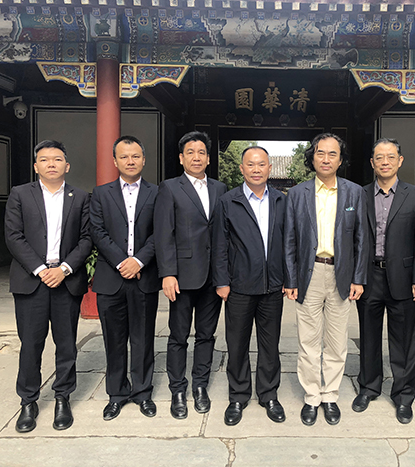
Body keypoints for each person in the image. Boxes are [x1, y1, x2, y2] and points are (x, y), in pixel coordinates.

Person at [4, 140, 92, 433]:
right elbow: (13, 236)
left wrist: (64, 269)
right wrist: (42, 270)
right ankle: (28, 401)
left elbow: (87, 238)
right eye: (44, 159)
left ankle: (63, 397)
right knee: (31, 344)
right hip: (31, 281)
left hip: (66, 281)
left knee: (66, 344)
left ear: (67, 165)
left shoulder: (80, 197)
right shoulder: (20, 194)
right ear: (36, 166)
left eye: (57, 159)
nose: (51, 164)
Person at [284, 133, 369, 426]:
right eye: (320, 153)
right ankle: (311, 396)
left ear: (340, 160)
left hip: (341, 273)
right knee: (308, 340)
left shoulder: (354, 193)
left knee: (336, 340)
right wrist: (291, 279)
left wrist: (358, 278)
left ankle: (330, 394)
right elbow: (289, 239)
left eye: (333, 154)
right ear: (312, 157)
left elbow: (361, 238)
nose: (326, 159)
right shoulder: (297, 194)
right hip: (309, 273)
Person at [353, 138, 415, 424]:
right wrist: (355, 276)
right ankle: (368, 387)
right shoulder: (359, 195)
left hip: (404, 278)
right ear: (372, 163)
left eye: (390, 157)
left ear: (400, 161)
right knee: (368, 336)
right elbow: (353, 237)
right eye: (379, 157)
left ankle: (403, 395)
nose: (384, 162)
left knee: (405, 339)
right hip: (369, 276)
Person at [154, 131, 228, 419]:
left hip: (212, 276)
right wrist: (167, 273)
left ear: (208, 159)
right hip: (182, 276)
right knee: (179, 335)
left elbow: (222, 234)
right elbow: (164, 234)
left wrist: (224, 276)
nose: (196, 157)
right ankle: (177, 389)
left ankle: (200, 385)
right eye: (190, 152)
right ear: (181, 158)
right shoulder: (170, 188)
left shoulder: (220, 188)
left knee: (206, 335)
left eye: (201, 152)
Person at [212, 146, 287, 426]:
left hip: (272, 287)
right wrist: (222, 281)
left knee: (270, 345)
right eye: (251, 164)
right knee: (237, 344)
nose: (256, 169)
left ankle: (269, 395)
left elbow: (288, 242)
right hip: (239, 286)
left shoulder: (280, 200)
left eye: (261, 164)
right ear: (242, 168)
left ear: (270, 168)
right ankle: (238, 396)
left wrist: (288, 279)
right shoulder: (228, 201)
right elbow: (219, 244)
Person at [89, 136, 160, 421]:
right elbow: (97, 232)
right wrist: (122, 262)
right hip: (111, 278)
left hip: (144, 277)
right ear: (115, 161)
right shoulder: (100, 194)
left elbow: (160, 232)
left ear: (144, 159)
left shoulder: (157, 193)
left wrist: (139, 260)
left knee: (143, 339)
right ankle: (116, 394)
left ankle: (142, 392)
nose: (130, 161)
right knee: (114, 340)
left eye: (135, 156)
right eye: (124, 156)